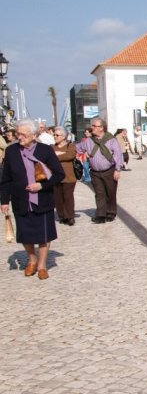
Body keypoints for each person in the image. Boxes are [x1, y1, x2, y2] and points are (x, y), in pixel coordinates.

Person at [0, 119, 64, 279]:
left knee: (44, 234)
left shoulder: (45, 150)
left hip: (42, 199)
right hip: (20, 199)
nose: (18, 137)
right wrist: (4, 201)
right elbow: (5, 178)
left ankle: (42, 266)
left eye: (22, 134)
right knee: (25, 234)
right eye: (17, 133)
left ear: (33, 135)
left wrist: (41, 186)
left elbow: (59, 174)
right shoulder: (11, 151)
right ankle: (32, 259)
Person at [75, 117, 124, 224]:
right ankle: (101, 215)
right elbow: (77, 148)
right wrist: (83, 153)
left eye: (94, 126)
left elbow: (118, 154)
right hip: (95, 172)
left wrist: (117, 169)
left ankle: (110, 213)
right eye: (92, 126)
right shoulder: (89, 141)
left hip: (109, 170)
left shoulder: (111, 140)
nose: (92, 128)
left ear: (101, 128)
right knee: (99, 193)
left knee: (110, 192)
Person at [51, 126, 77, 226]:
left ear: (64, 136)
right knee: (58, 198)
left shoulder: (71, 146)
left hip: (69, 176)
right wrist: (60, 154)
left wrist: (57, 155)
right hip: (55, 177)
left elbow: (69, 155)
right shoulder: (51, 147)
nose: (55, 136)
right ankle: (61, 216)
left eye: (57, 135)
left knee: (68, 197)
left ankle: (70, 216)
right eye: (54, 134)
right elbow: (49, 157)